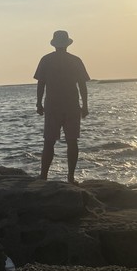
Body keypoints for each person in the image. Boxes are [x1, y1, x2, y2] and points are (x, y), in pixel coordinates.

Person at [34, 30, 90, 183]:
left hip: (52, 105)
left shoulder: (46, 60)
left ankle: (43, 175)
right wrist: (85, 105)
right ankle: (70, 177)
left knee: (49, 141)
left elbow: (41, 84)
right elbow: (82, 85)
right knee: (72, 141)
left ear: (54, 44)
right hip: (71, 105)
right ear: (67, 44)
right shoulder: (75, 60)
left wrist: (39, 103)